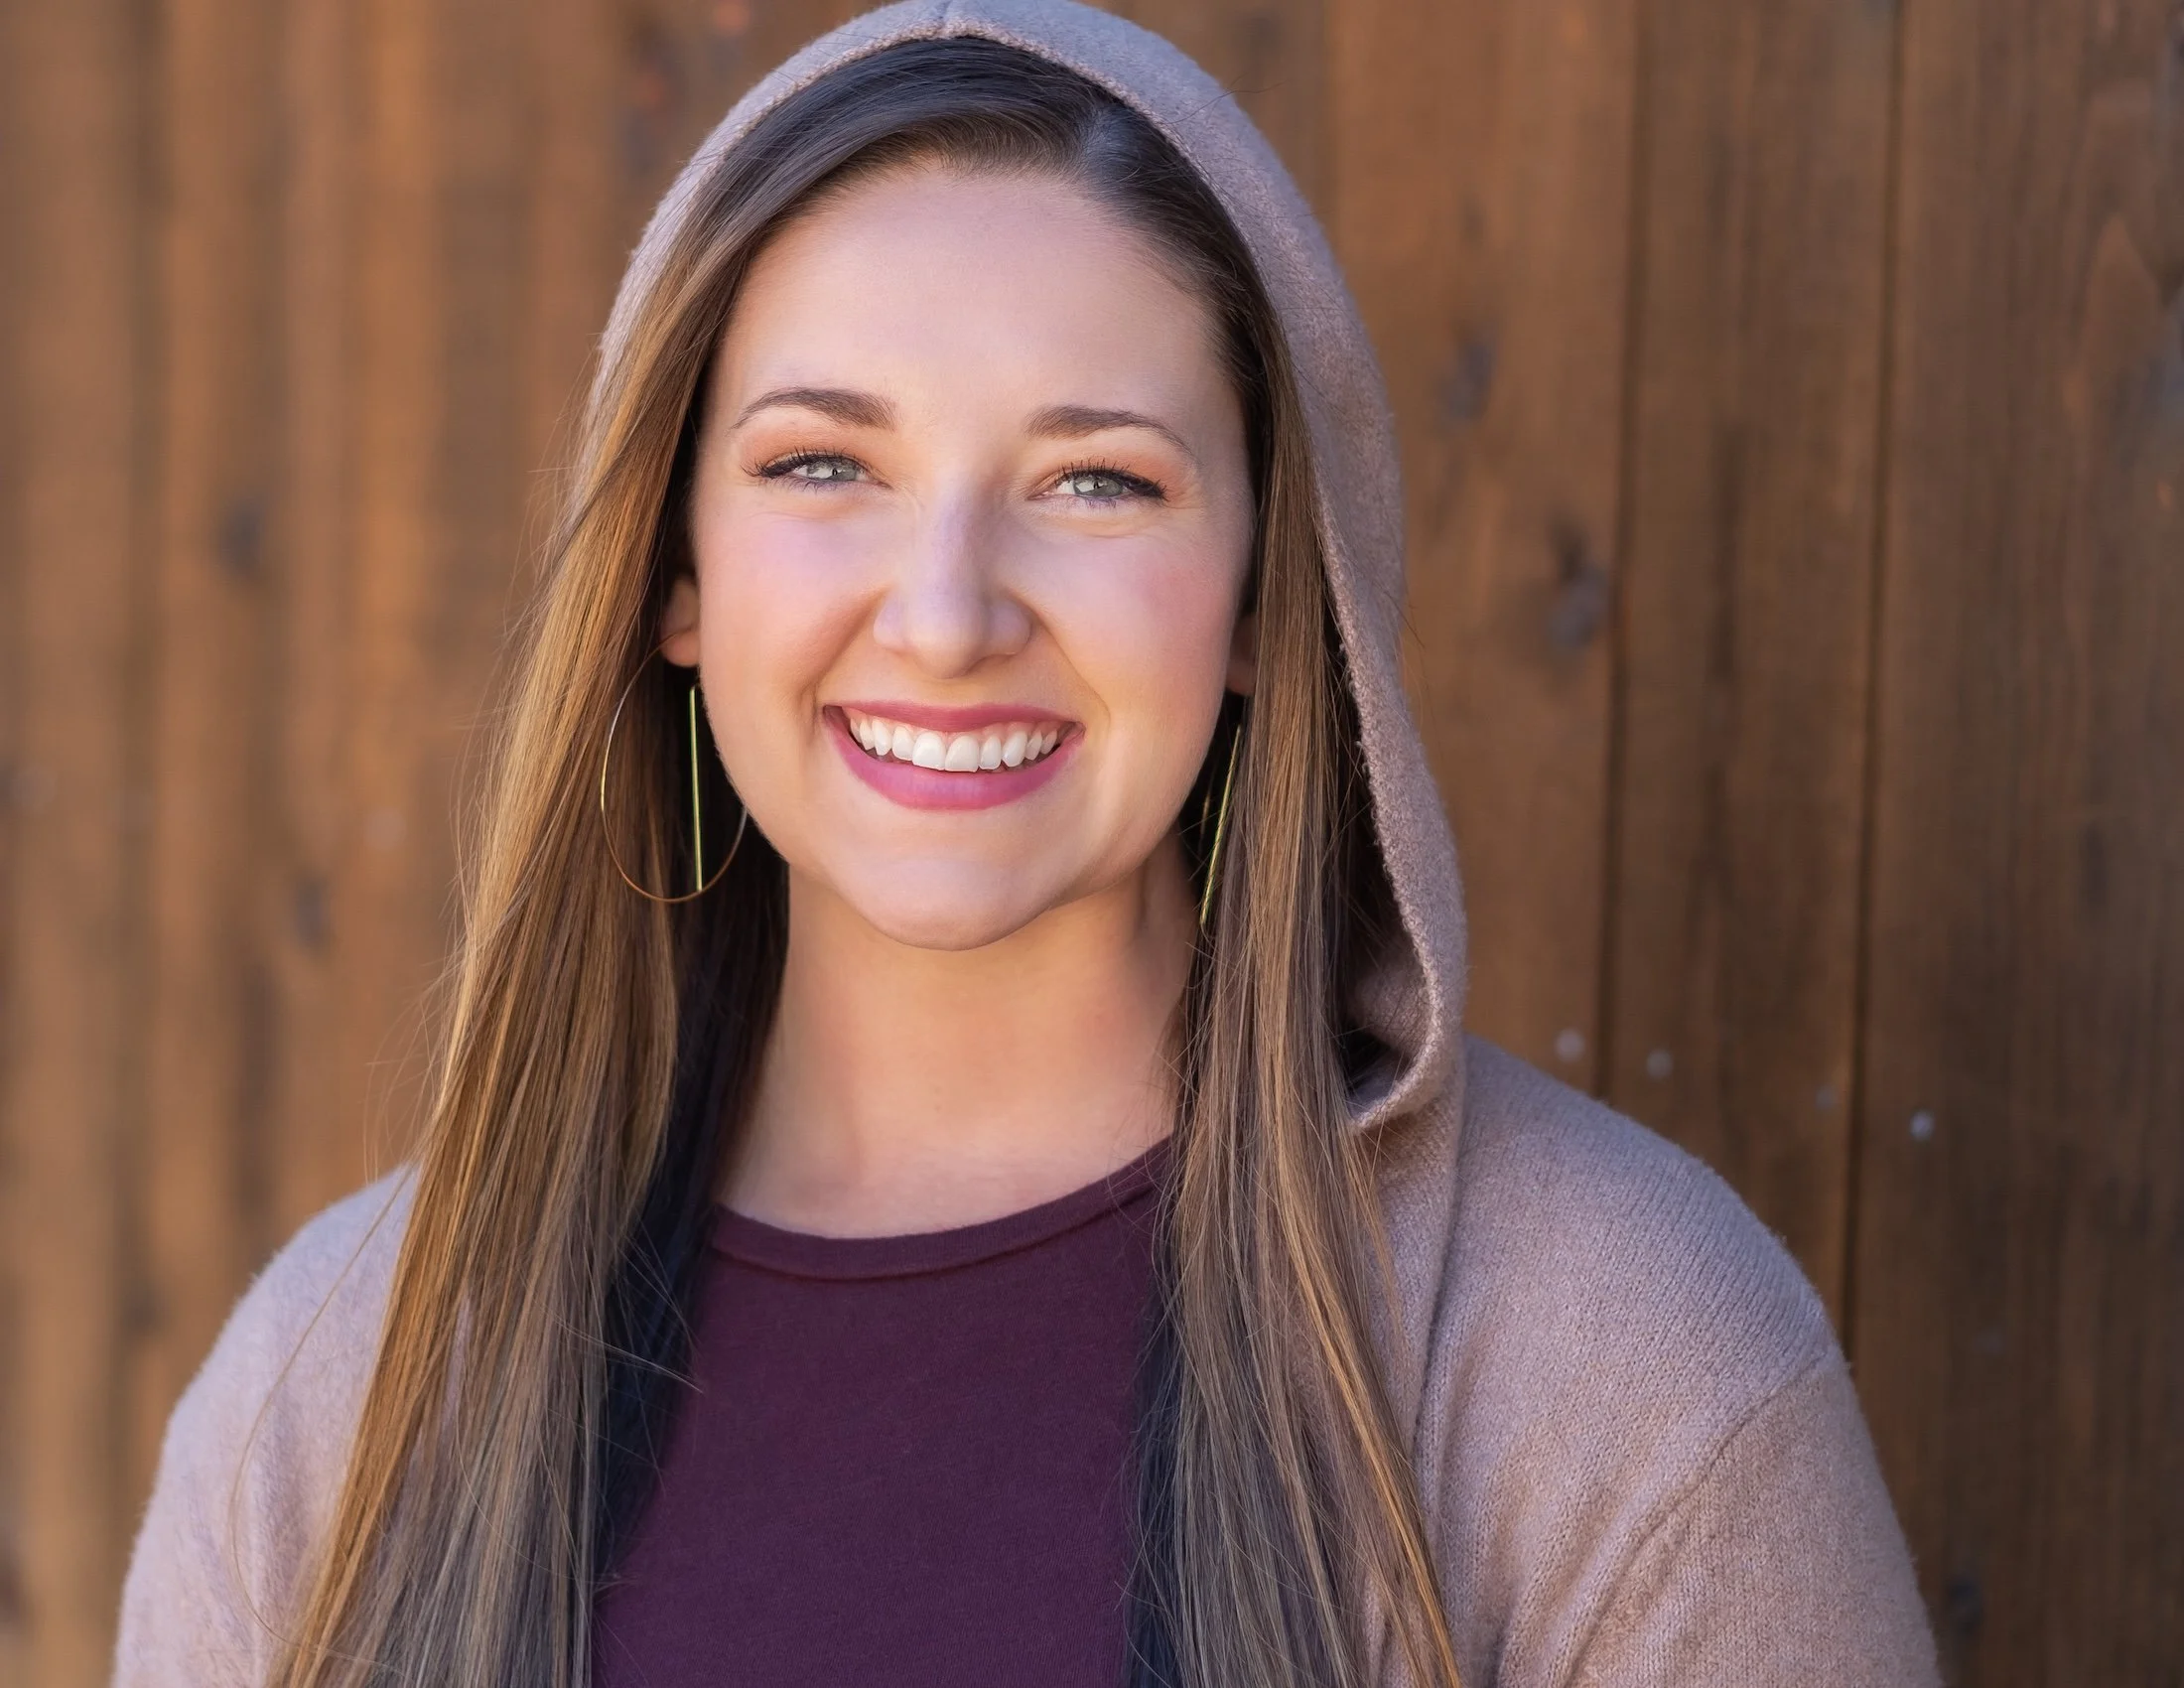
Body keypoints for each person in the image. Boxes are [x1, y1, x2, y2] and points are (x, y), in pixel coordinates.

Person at [112, 4, 1941, 1685]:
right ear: (678, 574)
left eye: (1096, 482)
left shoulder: (1621, 1377)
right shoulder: (336, 1389)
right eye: (823, 464)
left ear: (1256, 602)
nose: (946, 610)